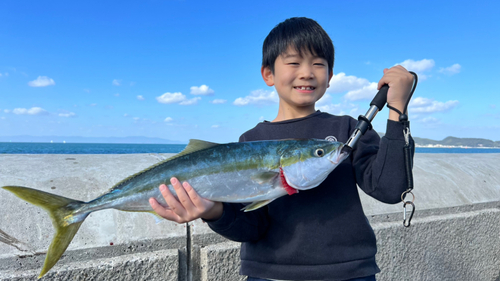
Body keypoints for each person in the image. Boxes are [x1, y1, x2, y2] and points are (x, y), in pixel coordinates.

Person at [149, 17, 415, 281]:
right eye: (294, 62)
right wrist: (213, 212)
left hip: (350, 273)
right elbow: (251, 227)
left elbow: (391, 188)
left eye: (318, 64)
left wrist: (397, 111)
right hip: (269, 275)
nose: (307, 72)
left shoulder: (348, 131)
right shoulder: (252, 140)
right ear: (269, 74)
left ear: (330, 76)